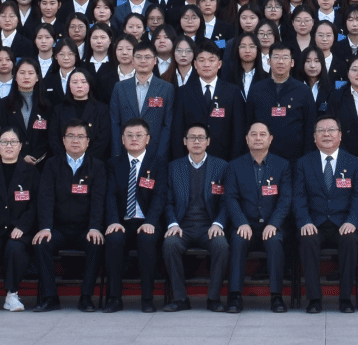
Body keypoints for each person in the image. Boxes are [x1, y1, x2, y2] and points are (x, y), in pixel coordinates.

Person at [292, 115, 358, 313]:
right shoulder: (303, 163)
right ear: (314, 137)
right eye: (321, 130)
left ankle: (345, 299)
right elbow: (299, 197)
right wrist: (305, 221)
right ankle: (314, 299)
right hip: (315, 222)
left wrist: (352, 221)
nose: (326, 134)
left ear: (340, 135)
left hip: (343, 222)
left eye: (331, 130)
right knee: (307, 239)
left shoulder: (353, 163)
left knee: (350, 239)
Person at [33, 121, 108, 311]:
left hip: (85, 229)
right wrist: (46, 227)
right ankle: (50, 297)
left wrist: (94, 227)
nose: (75, 140)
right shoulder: (52, 164)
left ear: (88, 141)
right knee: (41, 243)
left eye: (80, 136)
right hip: (58, 228)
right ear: (63, 140)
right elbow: (45, 198)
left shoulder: (97, 166)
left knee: (96, 243)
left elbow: (98, 200)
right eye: (71, 136)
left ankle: (86, 297)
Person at [163, 123, 231, 312]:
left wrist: (218, 223)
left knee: (221, 246)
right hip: (182, 226)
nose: (196, 141)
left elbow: (227, 202)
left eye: (201, 138)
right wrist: (172, 223)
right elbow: (167, 202)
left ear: (208, 142)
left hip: (209, 226)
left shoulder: (221, 167)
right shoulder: (173, 167)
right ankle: (180, 299)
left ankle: (213, 298)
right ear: (184, 142)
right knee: (170, 244)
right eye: (192, 137)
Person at [224, 121, 292, 312]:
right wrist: (241, 223)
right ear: (247, 139)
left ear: (270, 139)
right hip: (246, 224)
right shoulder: (235, 166)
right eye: (253, 134)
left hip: (271, 224)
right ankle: (235, 296)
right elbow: (231, 198)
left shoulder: (282, 165)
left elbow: (285, 199)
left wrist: (274, 223)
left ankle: (276, 297)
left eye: (263, 134)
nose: (258, 138)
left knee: (274, 241)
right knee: (238, 240)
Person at [105, 118, 167, 313]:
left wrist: (151, 222)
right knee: (113, 239)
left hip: (147, 221)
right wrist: (113, 221)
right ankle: (114, 298)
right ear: (122, 139)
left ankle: (147, 299)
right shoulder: (114, 164)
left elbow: (160, 196)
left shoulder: (158, 163)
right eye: (129, 135)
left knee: (147, 239)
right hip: (122, 221)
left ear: (147, 139)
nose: (134, 139)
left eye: (138, 135)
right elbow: (110, 195)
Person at [0, 127, 40, 312]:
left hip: (20, 229)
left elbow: (36, 205)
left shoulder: (32, 173)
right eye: (4, 142)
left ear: (20, 146)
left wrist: (23, 226)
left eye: (13, 142)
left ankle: (12, 294)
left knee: (15, 248)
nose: (8, 146)